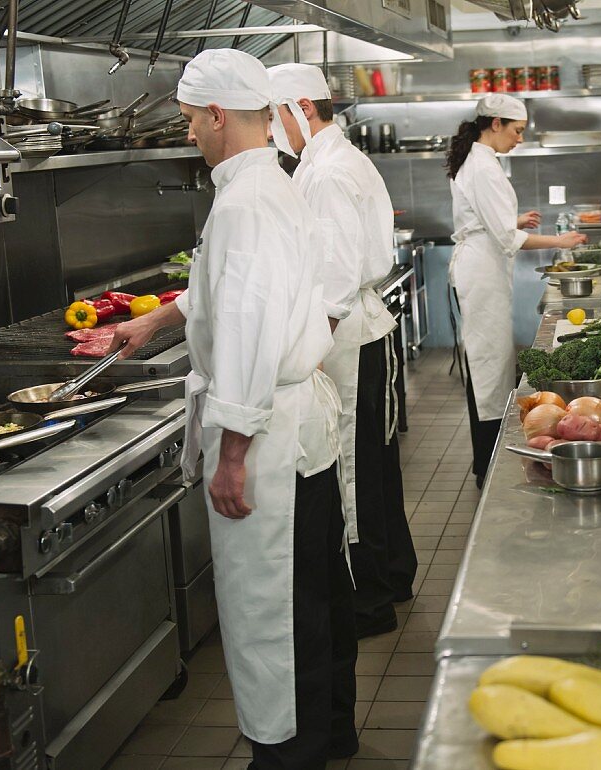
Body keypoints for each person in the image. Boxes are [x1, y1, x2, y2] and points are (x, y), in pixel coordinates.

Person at [107, 50, 358, 768]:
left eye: (189, 120)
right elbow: (234, 292)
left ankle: (288, 755)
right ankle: (332, 737)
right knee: (312, 590)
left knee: (269, 608)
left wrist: (235, 451)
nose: (188, 133)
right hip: (298, 426)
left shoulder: (245, 200)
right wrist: (153, 323)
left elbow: (247, 325)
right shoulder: (267, 185)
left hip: (268, 438)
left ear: (218, 115)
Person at [268, 63, 418, 639]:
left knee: (354, 474)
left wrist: (307, 352)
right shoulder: (334, 160)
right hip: (364, 331)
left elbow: (332, 281)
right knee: (377, 467)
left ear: (302, 107)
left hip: (346, 338)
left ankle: (370, 602)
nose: (274, 128)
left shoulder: (327, 173)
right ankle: (393, 576)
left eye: (276, 114)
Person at [446, 93, 587, 489]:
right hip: (482, 271)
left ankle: (485, 460)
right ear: (495, 124)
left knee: (490, 363)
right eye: (517, 131)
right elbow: (508, 239)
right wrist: (559, 243)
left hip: (483, 268)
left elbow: (490, 220)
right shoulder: (483, 167)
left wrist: (515, 218)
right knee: (488, 366)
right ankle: (486, 466)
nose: (519, 139)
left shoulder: (479, 161)